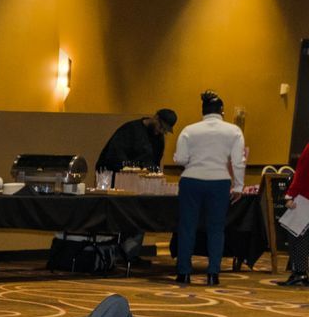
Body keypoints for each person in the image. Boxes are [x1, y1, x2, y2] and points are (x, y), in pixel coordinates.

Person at [171, 90, 246, 287]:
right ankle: (213, 273)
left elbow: (181, 159)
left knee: (187, 227)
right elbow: (238, 162)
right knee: (216, 229)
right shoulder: (233, 131)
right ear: (222, 111)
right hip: (219, 181)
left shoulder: (189, 130)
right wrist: (238, 186)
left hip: (191, 181)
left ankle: (183, 272)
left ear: (203, 111)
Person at [96, 108, 176, 175]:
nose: (161, 131)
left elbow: (154, 163)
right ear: (156, 118)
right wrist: (131, 170)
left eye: (165, 130)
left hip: (138, 178)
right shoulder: (130, 129)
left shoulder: (159, 140)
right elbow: (115, 154)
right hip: (116, 174)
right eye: (161, 127)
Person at [277, 138, 309, 287]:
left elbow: (302, 172)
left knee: (297, 235)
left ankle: (300, 273)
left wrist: (290, 194)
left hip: (305, 197)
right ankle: (300, 272)